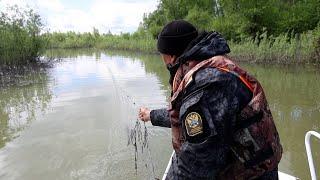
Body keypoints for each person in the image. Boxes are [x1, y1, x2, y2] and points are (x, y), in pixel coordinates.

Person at [138, 20, 282, 180]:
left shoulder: (208, 84)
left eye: (161, 54)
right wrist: (151, 115)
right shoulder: (210, 64)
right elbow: (187, 116)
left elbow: (197, 163)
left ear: (171, 56)